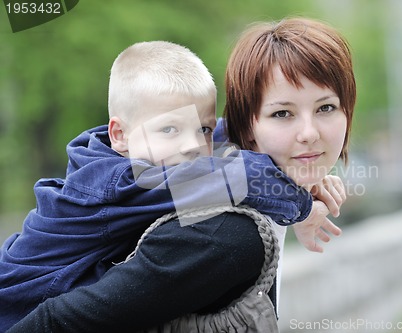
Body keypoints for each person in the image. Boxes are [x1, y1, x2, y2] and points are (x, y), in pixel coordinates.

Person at [7, 16, 355, 332]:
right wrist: (301, 206)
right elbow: (235, 174)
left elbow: (220, 138)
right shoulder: (131, 186)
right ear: (119, 135)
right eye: (282, 114)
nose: (308, 133)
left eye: (326, 107)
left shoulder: (162, 152)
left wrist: (299, 172)